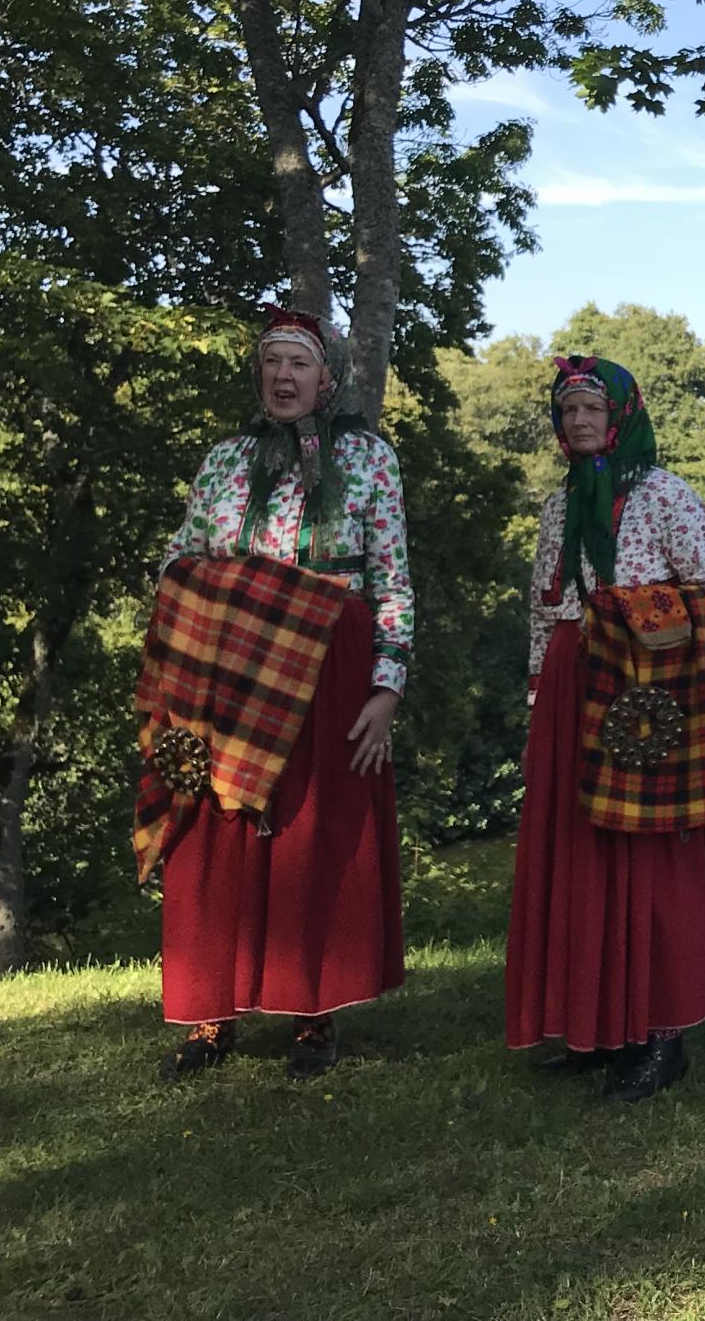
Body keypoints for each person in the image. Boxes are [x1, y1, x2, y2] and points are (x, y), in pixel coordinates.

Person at [137, 306, 410, 1082]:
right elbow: (179, 554)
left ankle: (312, 1012)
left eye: (299, 365)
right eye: (272, 364)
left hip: (330, 654)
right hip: (229, 655)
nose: (284, 378)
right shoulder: (225, 459)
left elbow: (391, 579)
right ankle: (210, 1010)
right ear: (259, 377)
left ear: (327, 379)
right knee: (216, 822)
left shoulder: (367, 458)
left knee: (309, 829)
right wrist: (198, 600)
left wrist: (387, 684)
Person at [505, 356, 705, 1103]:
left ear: (622, 415)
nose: (579, 421)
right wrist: (539, 705)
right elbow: (545, 613)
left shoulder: (665, 494)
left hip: (644, 693)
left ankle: (659, 1035)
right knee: (576, 856)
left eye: (591, 408)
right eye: (567, 409)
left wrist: (630, 617)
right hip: (573, 693)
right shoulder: (556, 506)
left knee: (644, 863)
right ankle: (593, 1025)